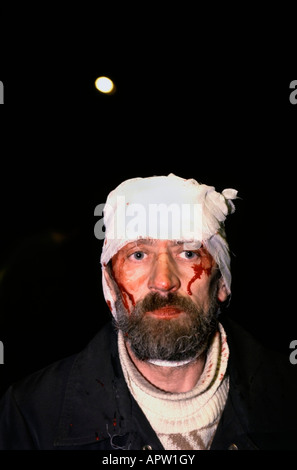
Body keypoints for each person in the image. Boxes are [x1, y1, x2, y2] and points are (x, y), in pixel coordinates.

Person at [0, 173, 296, 451]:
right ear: (110, 284)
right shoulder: (32, 414)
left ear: (221, 283)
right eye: (138, 255)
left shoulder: (287, 397)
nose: (164, 281)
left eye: (188, 253)